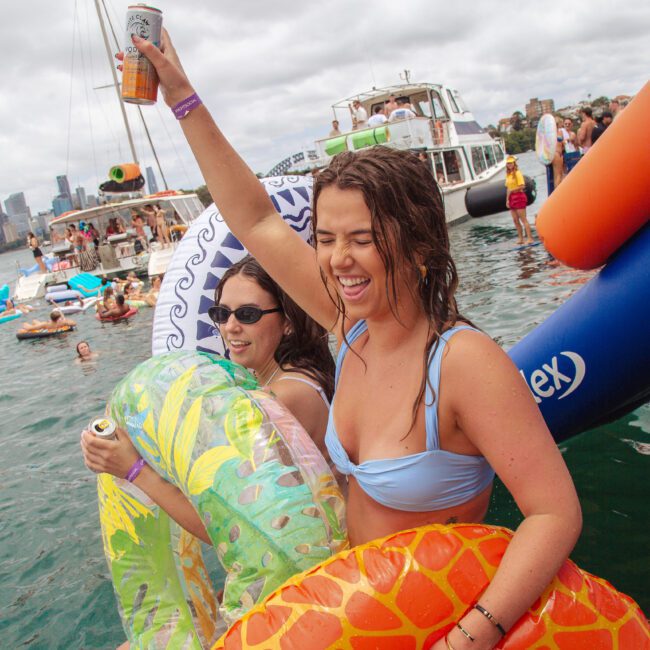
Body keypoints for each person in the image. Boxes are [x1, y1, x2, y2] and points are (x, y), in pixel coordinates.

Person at [117, 31, 583, 650]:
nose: (338, 260)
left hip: (427, 628)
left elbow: (554, 513)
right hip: (346, 611)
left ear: (418, 245)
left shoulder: (462, 362)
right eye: (327, 238)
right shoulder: (352, 328)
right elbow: (255, 219)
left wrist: (472, 636)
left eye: (360, 239)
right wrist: (180, 94)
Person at [80, 255, 335, 527]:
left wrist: (133, 470)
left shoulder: (283, 398)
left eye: (248, 314)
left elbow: (229, 529)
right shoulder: (293, 378)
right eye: (222, 314)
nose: (230, 327)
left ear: (288, 321)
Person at [505, 156, 534, 245]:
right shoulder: (508, 174)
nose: (510, 165)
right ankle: (520, 238)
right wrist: (507, 200)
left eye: (511, 163)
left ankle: (529, 238)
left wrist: (513, 190)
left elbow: (522, 186)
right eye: (508, 163)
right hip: (511, 197)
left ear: (514, 163)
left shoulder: (517, 173)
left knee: (523, 219)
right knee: (515, 220)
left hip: (519, 196)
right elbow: (508, 188)